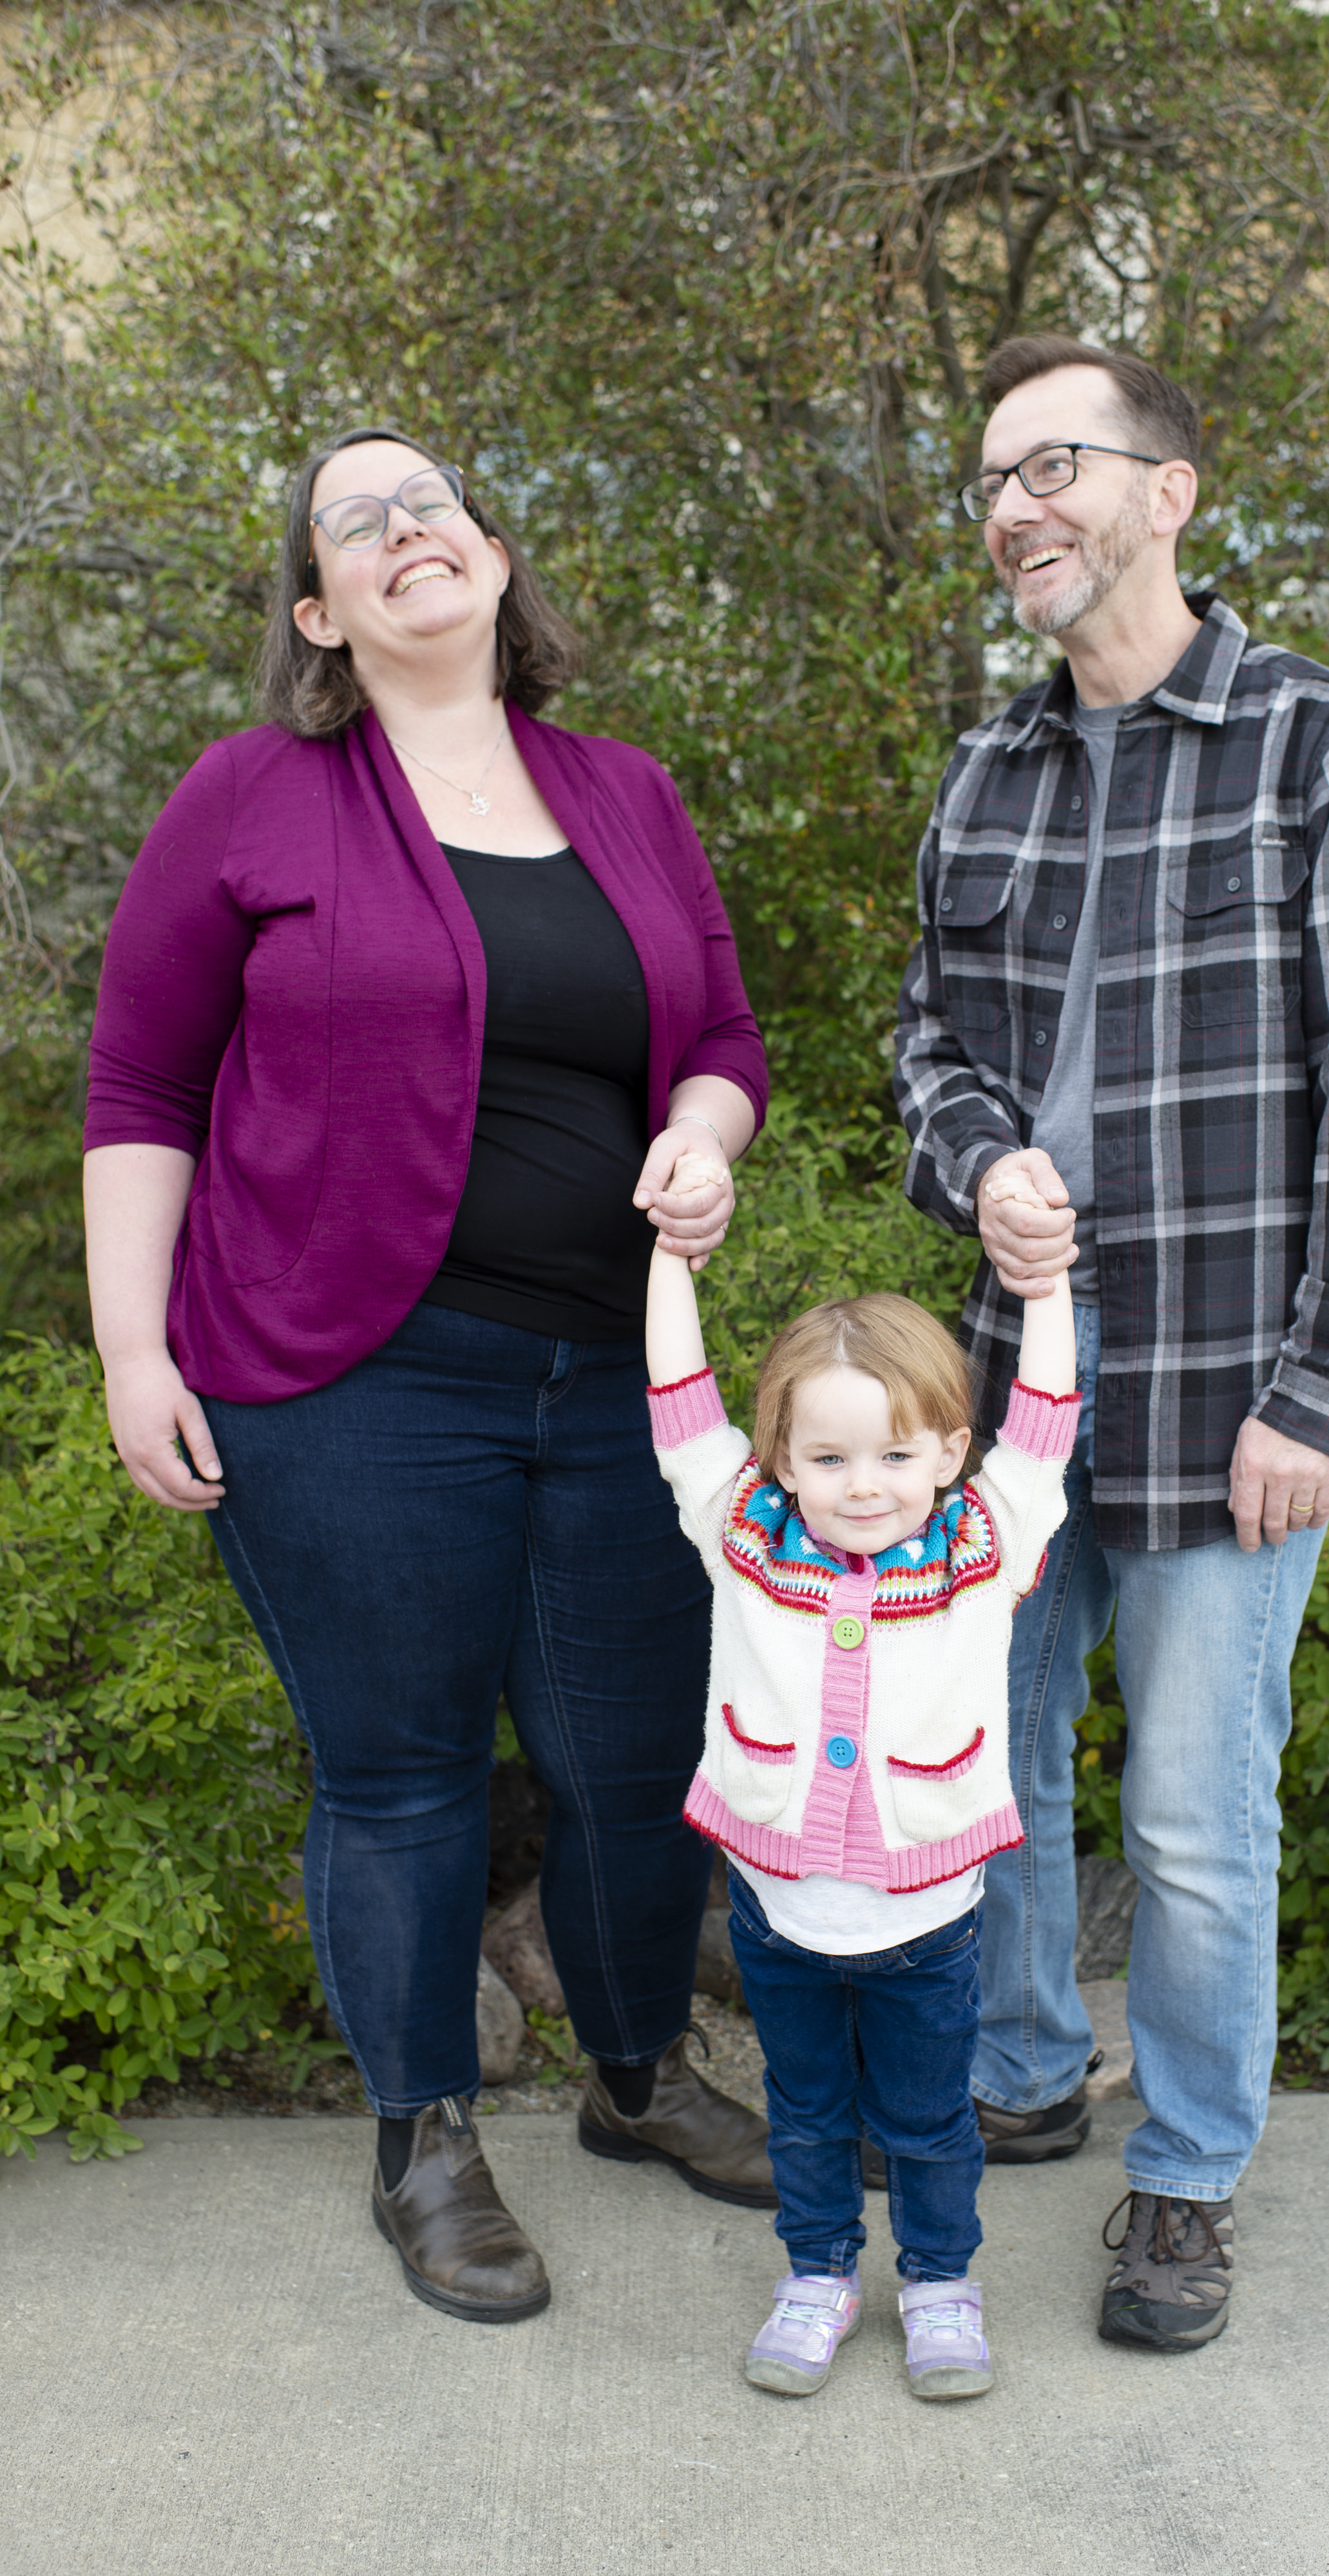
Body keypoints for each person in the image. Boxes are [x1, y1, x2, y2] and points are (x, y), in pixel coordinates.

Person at [82, 428, 775, 2326]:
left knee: (636, 1773)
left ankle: (635, 2083)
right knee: (401, 1783)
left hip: (613, 1381)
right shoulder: (252, 797)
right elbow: (140, 1084)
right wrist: (135, 1349)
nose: (407, 532)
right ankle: (426, 2140)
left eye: (434, 503)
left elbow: (717, 1029)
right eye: (355, 521)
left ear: (490, 558)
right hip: (346, 1381)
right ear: (320, 612)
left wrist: (704, 1134)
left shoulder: (622, 793)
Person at [894, 334, 1329, 2351]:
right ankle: (1024, 2070)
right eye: (987, 482)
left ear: (1166, 492)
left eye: (1050, 463)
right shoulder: (989, 769)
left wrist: (1328, 1383)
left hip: (1234, 1392)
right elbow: (928, 1049)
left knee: (1201, 1819)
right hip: (1010, 1401)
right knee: (1001, 1764)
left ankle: (1187, 2174)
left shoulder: (1323, 742)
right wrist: (975, 1169)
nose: (1012, 508)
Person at [643, 1153, 1078, 2399]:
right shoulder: (741, 1535)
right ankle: (819, 2273)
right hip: (778, 1911)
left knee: (932, 2122)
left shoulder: (983, 1547)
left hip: (929, 1922)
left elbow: (1044, 1420)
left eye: (893, 1458)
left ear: (948, 1452)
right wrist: (673, 1261)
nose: (861, 1489)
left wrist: (1041, 1281)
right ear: (779, 1459)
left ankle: (940, 2282)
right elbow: (679, 1401)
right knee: (808, 2115)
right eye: (827, 1461)